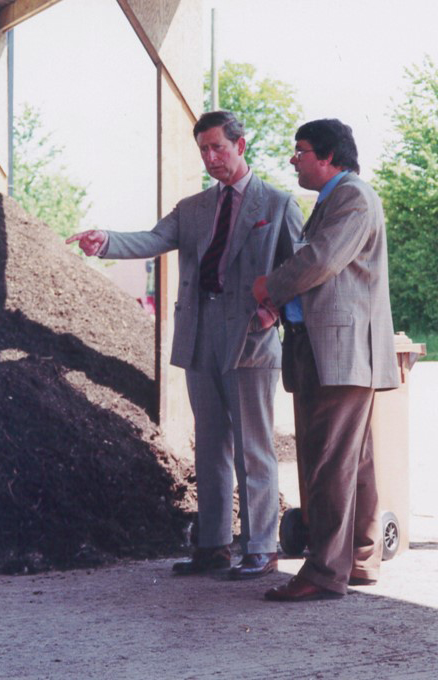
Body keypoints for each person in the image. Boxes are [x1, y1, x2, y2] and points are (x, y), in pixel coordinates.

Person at [67, 110, 303, 580]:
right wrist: (105, 240)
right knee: (209, 445)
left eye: (218, 147)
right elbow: (153, 239)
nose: (211, 158)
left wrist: (273, 312)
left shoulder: (277, 204)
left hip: (252, 337)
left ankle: (261, 546)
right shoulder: (192, 208)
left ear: (241, 145)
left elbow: (300, 269)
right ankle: (213, 546)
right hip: (199, 334)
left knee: (252, 446)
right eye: (203, 150)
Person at [253, 118, 399, 601]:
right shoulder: (335, 199)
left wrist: (269, 286)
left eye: (300, 151)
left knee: (328, 462)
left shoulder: (352, 196)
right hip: (329, 351)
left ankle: (322, 572)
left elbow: (320, 260)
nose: (293, 159)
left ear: (329, 157)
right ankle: (358, 561)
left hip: (339, 353)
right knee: (352, 462)